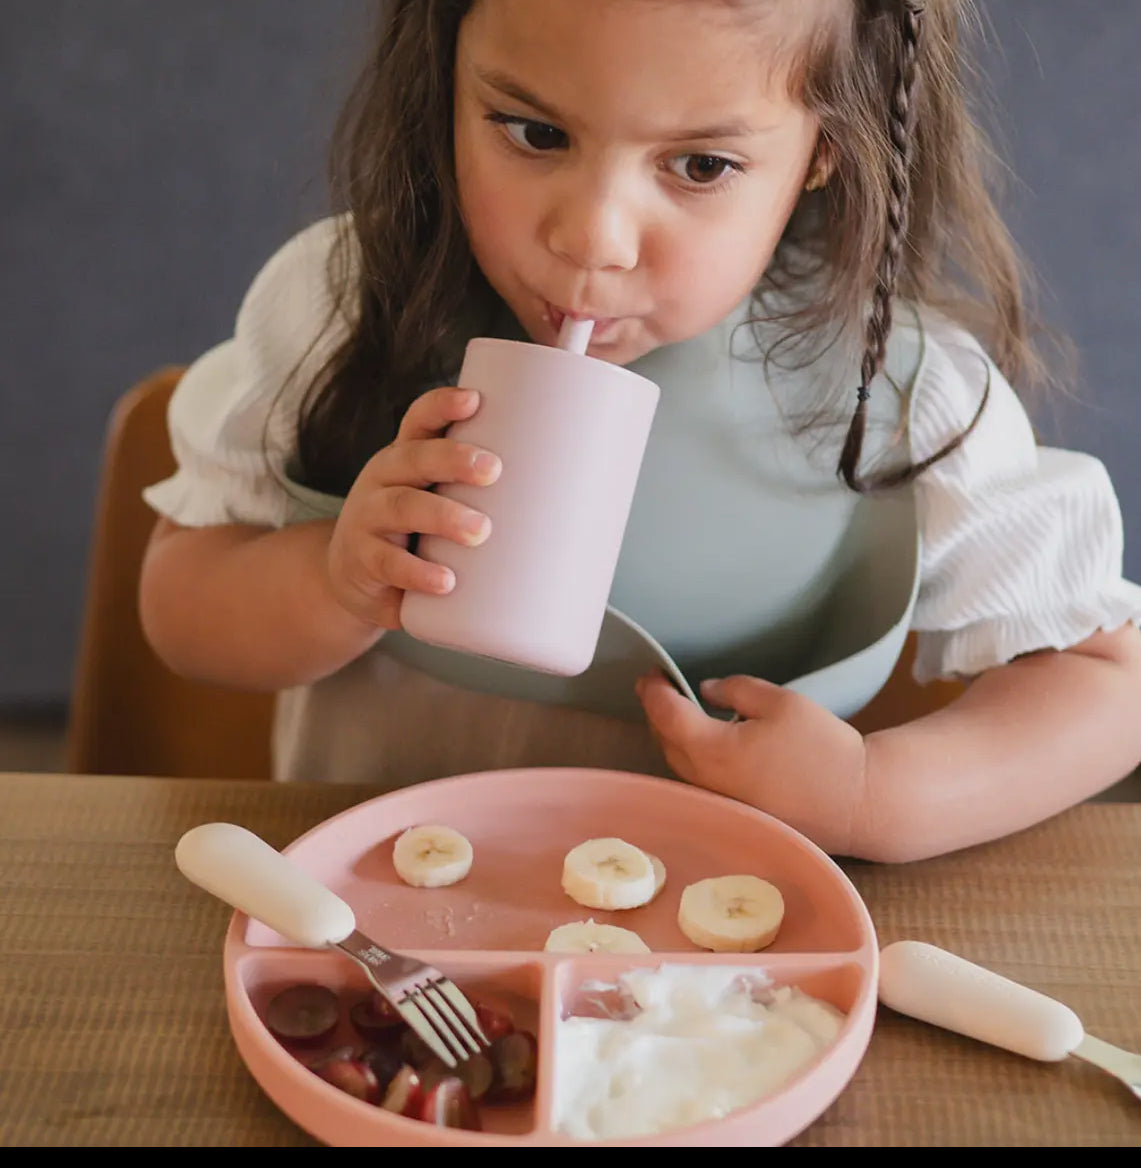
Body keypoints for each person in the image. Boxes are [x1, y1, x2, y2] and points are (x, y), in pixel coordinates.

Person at [138, 0, 1141, 863]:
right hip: (373, 944)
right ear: (446, 71)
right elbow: (181, 599)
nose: (592, 237)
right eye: (532, 132)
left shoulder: (896, 393)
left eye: (700, 164)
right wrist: (330, 580)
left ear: (828, 145)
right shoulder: (341, 308)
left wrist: (873, 792)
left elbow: (1108, 683)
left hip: (704, 983)